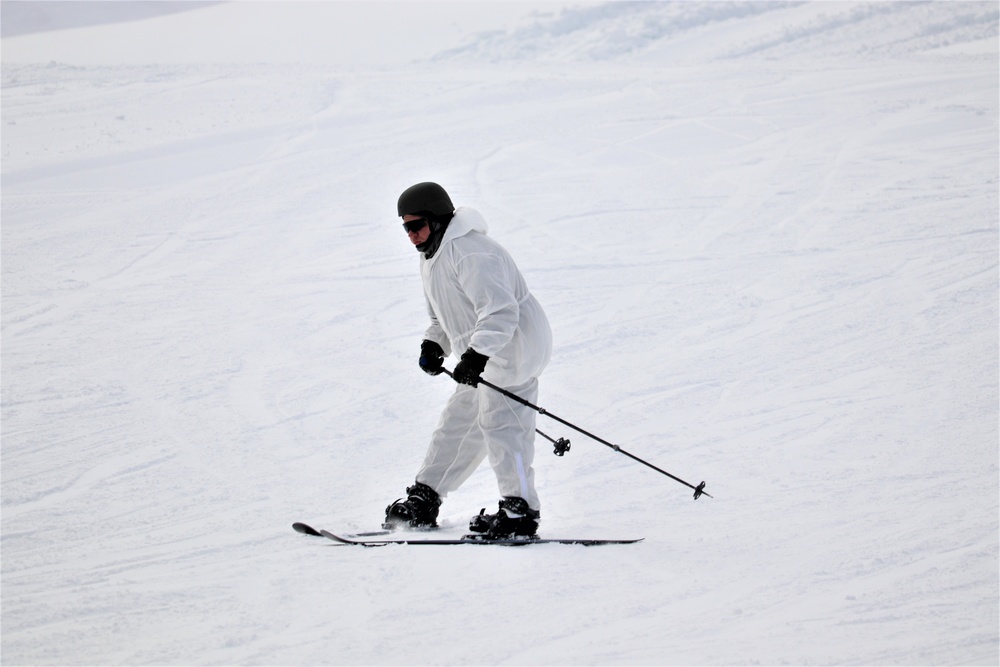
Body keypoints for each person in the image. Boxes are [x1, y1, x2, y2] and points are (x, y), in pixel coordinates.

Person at [383, 182, 552, 538]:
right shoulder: (432, 256)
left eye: (418, 226)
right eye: (406, 228)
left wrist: (477, 355)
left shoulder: (471, 252)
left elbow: (501, 312)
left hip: (513, 350)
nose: (412, 236)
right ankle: (425, 497)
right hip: (485, 352)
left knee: (502, 426)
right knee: (459, 420)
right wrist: (434, 345)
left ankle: (520, 510)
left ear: (439, 220)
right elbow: (441, 317)